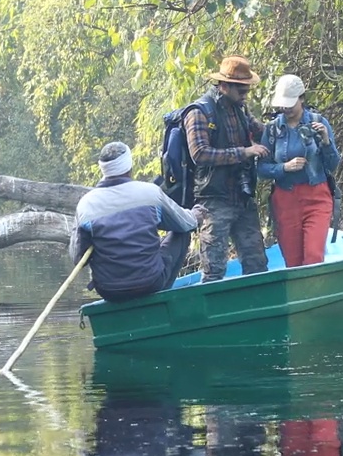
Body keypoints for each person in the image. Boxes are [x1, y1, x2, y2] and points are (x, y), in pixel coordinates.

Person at [70, 142, 198, 302]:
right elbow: (186, 223)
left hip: (109, 290)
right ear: (130, 166)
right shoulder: (149, 193)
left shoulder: (86, 205)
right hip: (151, 283)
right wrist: (195, 214)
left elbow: (77, 258)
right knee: (182, 233)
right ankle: (162, 296)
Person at [184, 55, 270, 282]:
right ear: (224, 85)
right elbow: (200, 154)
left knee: (257, 264)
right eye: (241, 89)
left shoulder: (240, 109)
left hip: (241, 197)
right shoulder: (200, 112)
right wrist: (243, 152)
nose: (245, 94)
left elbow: (263, 132)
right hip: (214, 200)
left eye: (247, 88)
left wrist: (294, 122)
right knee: (214, 269)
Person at [257, 74, 341, 267]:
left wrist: (326, 141)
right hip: (286, 200)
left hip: (317, 196)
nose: (285, 109)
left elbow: (333, 164)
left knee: (313, 257)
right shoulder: (272, 130)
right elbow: (261, 169)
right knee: (293, 262)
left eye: (290, 104)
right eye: (283, 105)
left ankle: (317, 295)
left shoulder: (318, 122)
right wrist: (283, 168)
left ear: (301, 99)